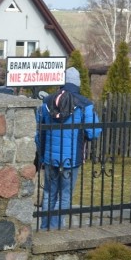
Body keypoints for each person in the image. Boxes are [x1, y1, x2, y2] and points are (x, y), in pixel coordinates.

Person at [35, 67, 101, 230]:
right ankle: (56, 229)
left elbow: (39, 131)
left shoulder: (47, 102)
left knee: (49, 193)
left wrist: (41, 154)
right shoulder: (85, 104)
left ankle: (45, 227)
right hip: (72, 158)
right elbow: (93, 132)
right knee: (64, 195)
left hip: (50, 157)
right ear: (77, 84)